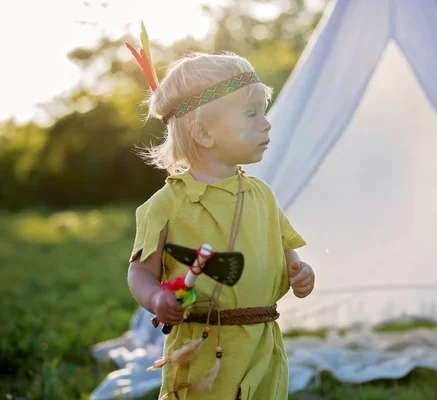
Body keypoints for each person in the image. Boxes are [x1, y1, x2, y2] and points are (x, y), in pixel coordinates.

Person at [125, 24, 315, 400]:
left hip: (261, 342)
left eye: (263, 112)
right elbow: (139, 272)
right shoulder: (165, 205)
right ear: (204, 133)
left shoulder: (262, 195)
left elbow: (285, 255)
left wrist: (300, 273)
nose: (267, 122)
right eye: (251, 114)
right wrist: (156, 298)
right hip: (202, 345)